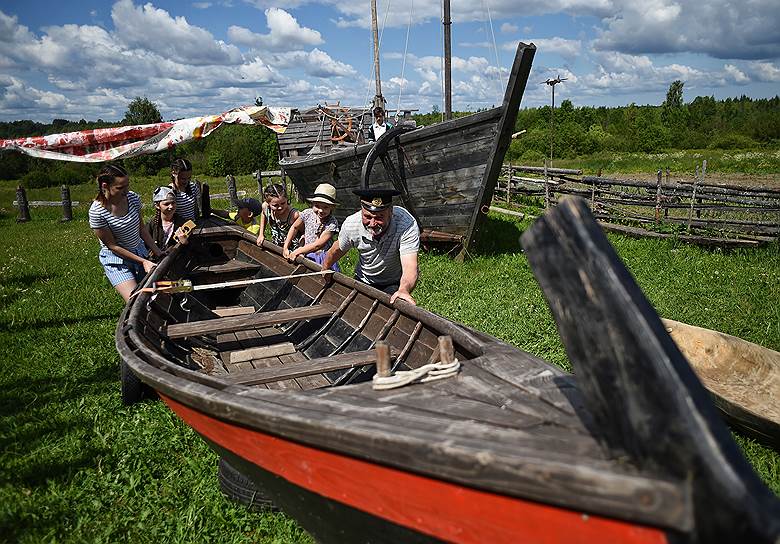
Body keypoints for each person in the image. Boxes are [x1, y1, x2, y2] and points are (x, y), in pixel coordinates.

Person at [322, 188, 419, 305]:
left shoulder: (406, 224)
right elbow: (336, 249)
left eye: (379, 217)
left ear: (391, 212)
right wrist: (326, 267)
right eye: (367, 217)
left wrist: (404, 289)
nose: (372, 224)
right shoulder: (351, 224)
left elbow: (410, 265)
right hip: (363, 279)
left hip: (392, 282)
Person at [89, 163, 163, 302]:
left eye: (127, 185)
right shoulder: (97, 211)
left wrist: (157, 251)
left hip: (139, 252)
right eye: (120, 188)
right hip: (117, 260)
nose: (126, 191)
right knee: (135, 300)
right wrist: (144, 262)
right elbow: (113, 246)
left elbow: (141, 229)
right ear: (105, 186)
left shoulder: (133, 198)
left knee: (153, 297)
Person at [283, 183, 340, 271]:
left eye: (325, 207)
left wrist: (298, 251)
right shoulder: (307, 213)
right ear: (312, 204)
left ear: (332, 208)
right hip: (306, 252)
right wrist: (286, 246)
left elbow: (317, 245)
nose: (321, 210)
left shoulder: (332, 223)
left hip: (321, 257)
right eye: (317, 206)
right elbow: (295, 227)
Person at [146, 186, 189, 258]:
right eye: (166, 204)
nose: (171, 206)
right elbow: (145, 245)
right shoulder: (152, 224)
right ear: (157, 205)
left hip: (177, 261)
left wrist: (185, 243)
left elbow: (195, 248)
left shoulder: (183, 223)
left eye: (173, 203)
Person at [256, 183, 300, 249]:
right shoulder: (265, 207)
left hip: (292, 248)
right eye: (275, 205)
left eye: (283, 203)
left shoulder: (294, 215)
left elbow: (304, 233)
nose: (280, 207)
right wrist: (261, 234)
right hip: (276, 245)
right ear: (268, 203)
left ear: (286, 200)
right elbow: (263, 214)